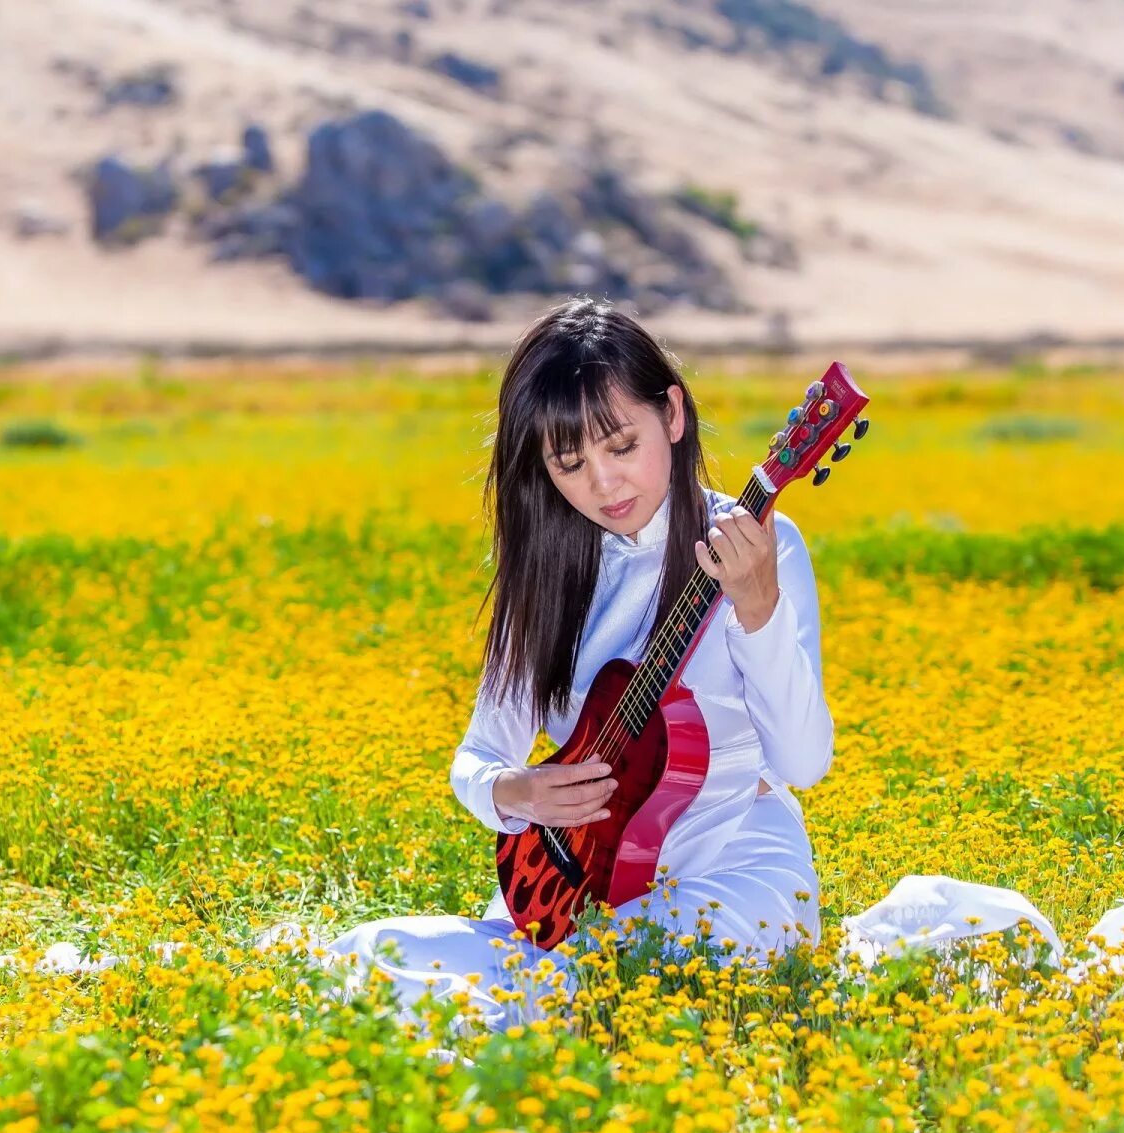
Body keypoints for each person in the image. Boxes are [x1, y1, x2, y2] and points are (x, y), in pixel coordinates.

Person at [327, 296, 834, 1029]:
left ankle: (534, 1010)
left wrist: (759, 611)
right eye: (570, 463)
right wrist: (515, 792)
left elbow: (803, 762)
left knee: (622, 968)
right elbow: (476, 757)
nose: (603, 485)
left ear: (674, 415)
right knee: (361, 954)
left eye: (622, 446)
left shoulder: (762, 544)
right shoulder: (549, 570)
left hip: (731, 875)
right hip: (582, 888)